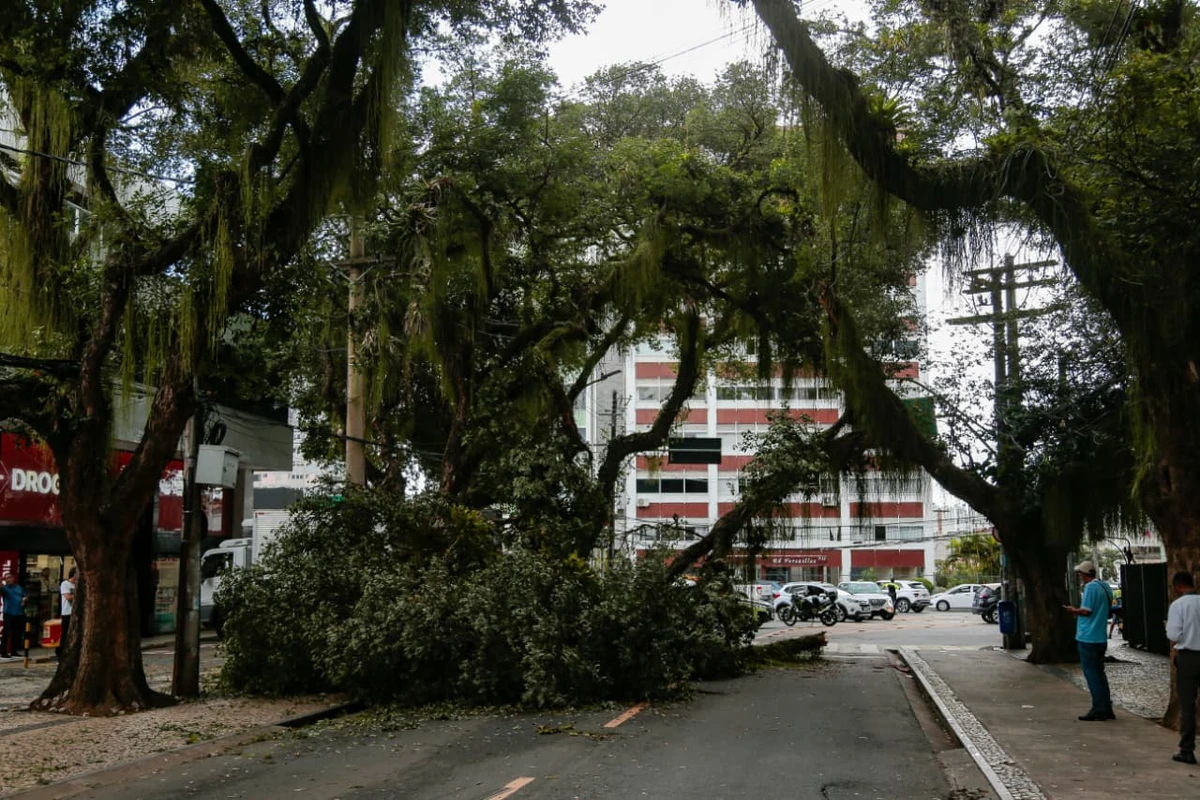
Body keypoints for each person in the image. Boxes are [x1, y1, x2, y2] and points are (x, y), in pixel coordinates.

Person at [1063, 560, 1114, 721]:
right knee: (1100, 673)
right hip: (1100, 636)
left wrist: (1073, 610)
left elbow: (1086, 611)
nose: (1080, 577)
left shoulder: (1090, 588)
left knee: (1092, 674)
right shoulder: (1104, 587)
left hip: (1088, 636)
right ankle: (1106, 706)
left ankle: (1098, 708)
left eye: (1080, 574)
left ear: (1085, 575)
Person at [1167, 570, 1200, 765]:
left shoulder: (1178, 605)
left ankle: (1187, 749)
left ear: (1179, 586)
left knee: (1188, 704)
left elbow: (1174, 635)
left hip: (1189, 657)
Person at [1, 571, 27, 662]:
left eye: (9, 578)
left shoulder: (19, 588)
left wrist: (24, 599)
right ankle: (3, 652)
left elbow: (24, 595)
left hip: (19, 613)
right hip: (9, 613)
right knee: (6, 633)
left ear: (13, 578)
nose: (8, 580)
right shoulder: (5, 589)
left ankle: (13, 651)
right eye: (6, 578)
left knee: (17, 633)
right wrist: (2, 580)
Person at [59, 567, 76, 659]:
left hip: (76, 613)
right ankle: (61, 653)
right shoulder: (65, 584)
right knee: (65, 633)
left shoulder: (78, 585)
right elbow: (68, 597)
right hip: (67, 612)